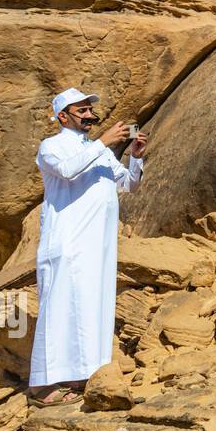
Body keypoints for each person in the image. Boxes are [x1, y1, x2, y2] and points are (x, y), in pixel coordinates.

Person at [27, 88, 148, 406]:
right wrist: (105, 141)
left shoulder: (101, 151)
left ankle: (85, 376)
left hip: (98, 247)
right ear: (63, 116)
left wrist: (135, 156)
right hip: (66, 243)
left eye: (89, 109)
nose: (89, 114)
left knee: (92, 308)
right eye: (81, 110)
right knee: (59, 308)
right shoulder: (51, 147)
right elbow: (68, 170)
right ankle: (43, 387)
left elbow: (128, 185)